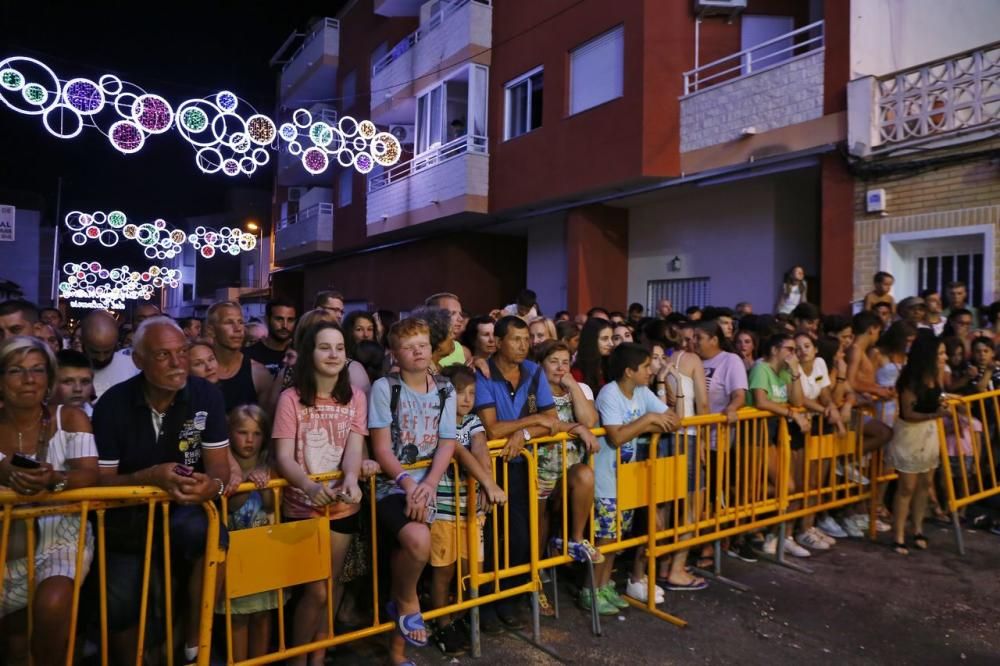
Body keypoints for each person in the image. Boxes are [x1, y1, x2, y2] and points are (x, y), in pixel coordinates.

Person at [92, 316, 231, 663]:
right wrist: (152, 476)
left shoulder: (206, 395)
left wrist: (210, 486)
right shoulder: (112, 405)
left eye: (182, 352)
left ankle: (193, 647)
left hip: (183, 508)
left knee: (215, 536)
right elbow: (101, 484)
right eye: (163, 355)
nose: (177, 363)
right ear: (138, 361)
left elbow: (219, 467)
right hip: (125, 515)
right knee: (121, 603)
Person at [272, 320, 375, 666]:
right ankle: (296, 660)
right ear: (308, 353)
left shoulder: (356, 397)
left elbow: (354, 449)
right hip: (302, 505)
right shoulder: (290, 398)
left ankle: (315, 657)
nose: (333, 354)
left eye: (339, 348)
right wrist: (309, 487)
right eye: (324, 347)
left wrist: (350, 478)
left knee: (329, 588)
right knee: (313, 590)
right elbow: (283, 457)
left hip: (343, 508)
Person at [474, 316, 582, 630]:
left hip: (522, 464)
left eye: (526, 339)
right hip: (488, 467)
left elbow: (550, 419)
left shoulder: (534, 371)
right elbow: (492, 429)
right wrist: (529, 425)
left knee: (521, 539)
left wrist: (524, 435)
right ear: (498, 341)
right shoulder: (483, 374)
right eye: (516, 339)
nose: (524, 345)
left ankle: (509, 601)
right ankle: (485, 607)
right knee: (490, 540)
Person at [0, 336, 99, 666]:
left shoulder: (69, 418)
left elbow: (89, 473)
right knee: (13, 640)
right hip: (7, 542)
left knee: (54, 605)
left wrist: (55, 479)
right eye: (16, 370)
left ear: (48, 378)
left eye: (37, 370)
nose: (29, 379)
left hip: (62, 534)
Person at [369, 318, 457, 665]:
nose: (418, 351)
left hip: (431, 484)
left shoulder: (445, 389)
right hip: (394, 484)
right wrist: (410, 485)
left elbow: (447, 441)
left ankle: (397, 651)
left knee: (408, 558)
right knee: (417, 545)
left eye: (422, 344)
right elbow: (382, 449)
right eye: (409, 346)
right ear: (395, 353)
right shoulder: (384, 388)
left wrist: (429, 485)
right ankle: (407, 604)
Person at [593, 343, 680, 612]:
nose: (650, 370)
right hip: (606, 478)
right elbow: (616, 436)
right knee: (605, 540)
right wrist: (649, 420)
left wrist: (650, 420)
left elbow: (674, 419)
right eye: (645, 367)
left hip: (627, 478)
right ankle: (592, 590)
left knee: (617, 539)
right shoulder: (610, 394)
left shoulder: (642, 392)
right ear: (629, 371)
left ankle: (606, 586)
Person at [428, 365, 506, 656]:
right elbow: (456, 452)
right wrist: (487, 481)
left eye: (471, 393)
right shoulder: (437, 421)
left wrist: (486, 484)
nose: (466, 398)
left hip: (472, 508)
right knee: (443, 571)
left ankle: (462, 617)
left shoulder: (473, 422)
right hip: (444, 509)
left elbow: (480, 448)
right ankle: (442, 623)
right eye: (459, 392)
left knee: (472, 569)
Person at [532, 341, 602, 612]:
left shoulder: (576, 390)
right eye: (554, 362)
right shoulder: (533, 392)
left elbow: (590, 422)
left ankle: (575, 539)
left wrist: (572, 386)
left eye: (565, 362)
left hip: (568, 470)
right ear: (540, 364)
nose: (561, 367)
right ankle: (535, 586)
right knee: (537, 536)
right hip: (538, 473)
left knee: (585, 474)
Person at [217, 405, 277, 663]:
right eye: (242, 432)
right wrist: (244, 482)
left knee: (264, 614)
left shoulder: (270, 465)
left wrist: (264, 481)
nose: (249, 440)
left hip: (264, 555)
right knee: (238, 616)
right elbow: (230, 505)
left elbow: (272, 505)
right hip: (235, 556)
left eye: (257, 433)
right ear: (230, 433)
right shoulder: (221, 467)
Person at [747, 333, 811, 558]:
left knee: (788, 486)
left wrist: (794, 373)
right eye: (789, 349)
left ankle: (772, 531)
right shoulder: (760, 369)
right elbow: (761, 401)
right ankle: (751, 523)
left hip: (772, 435)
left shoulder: (784, 371)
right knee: (784, 486)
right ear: (774, 350)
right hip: (753, 435)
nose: (794, 354)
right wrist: (792, 414)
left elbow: (798, 401)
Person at [889, 334, 949, 555]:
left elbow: (938, 396)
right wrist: (936, 413)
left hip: (929, 433)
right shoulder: (910, 379)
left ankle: (917, 528)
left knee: (925, 483)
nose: (945, 357)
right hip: (910, 434)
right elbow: (908, 413)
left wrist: (941, 406)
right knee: (907, 487)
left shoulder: (936, 374)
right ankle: (898, 535)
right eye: (941, 353)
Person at [792, 333, 844, 551]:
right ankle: (798, 530)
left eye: (807, 346)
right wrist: (825, 410)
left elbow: (824, 392)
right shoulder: (792, 369)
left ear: (815, 349)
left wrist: (830, 406)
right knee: (803, 482)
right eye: (798, 347)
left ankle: (809, 525)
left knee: (817, 482)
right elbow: (801, 399)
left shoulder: (820, 364)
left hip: (821, 423)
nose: (803, 350)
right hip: (800, 427)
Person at [207, 301, 273, 411]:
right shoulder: (199, 370)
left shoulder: (259, 373)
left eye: (241, 322)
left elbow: (265, 423)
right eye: (229, 322)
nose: (238, 329)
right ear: (211, 330)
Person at [79, 310, 140, 400]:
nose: (101, 358)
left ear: (116, 344)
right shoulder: (66, 369)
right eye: (95, 352)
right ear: (82, 342)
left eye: (107, 352)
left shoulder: (133, 368)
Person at [247, 299, 297, 376]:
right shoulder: (248, 355)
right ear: (267, 319)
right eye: (279, 319)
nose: (285, 326)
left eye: (290, 320)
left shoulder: (300, 354)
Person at [425, 293, 472, 366]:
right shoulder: (419, 351)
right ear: (434, 317)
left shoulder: (464, 352)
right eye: (452, 313)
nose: (460, 319)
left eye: (460, 314)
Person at [571, 318, 613, 391]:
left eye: (611, 338)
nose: (611, 344)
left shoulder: (610, 365)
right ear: (591, 340)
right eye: (605, 339)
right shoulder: (577, 372)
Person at [51, 349, 95, 416]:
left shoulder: (100, 420)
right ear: (50, 383)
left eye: (85, 382)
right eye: (68, 382)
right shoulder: (34, 419)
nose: (78, 389)